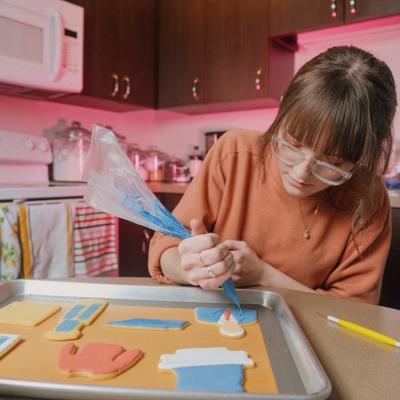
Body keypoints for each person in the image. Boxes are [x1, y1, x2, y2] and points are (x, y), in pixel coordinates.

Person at [148, 45, 397, 304]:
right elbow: (164, 245)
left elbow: (356, 311)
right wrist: (187, 266)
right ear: (282, 111)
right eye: (291, 144)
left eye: (331, 164)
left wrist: (265, 275)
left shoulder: (368, 198)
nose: (301, 173)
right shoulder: (234, 151)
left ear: (360, 160)